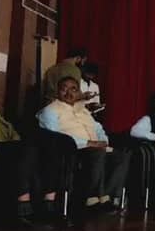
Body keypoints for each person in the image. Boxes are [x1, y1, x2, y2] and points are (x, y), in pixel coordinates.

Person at [0, 56, 58, 225]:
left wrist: (13, 134)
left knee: (45, 144)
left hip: (6, 140)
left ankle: (48, 204)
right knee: (28, 149)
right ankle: (23, 206)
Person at [38, 77, 130, 213]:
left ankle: (106, 196)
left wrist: (103, 141)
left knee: (121, 156)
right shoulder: (50, 111)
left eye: (73, 89)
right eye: (64, 89)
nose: (69, 93)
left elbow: (98, 128)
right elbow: (54, 137)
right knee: (97, 153)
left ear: (79, 92)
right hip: (71, 150)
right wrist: (88, 143)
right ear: (57, 91)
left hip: (95, 147)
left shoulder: (83, 110)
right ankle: (91, 198)